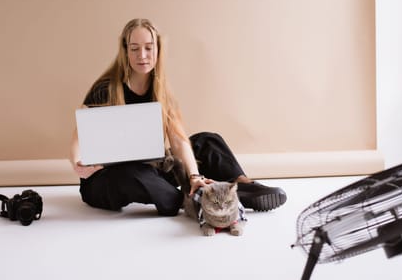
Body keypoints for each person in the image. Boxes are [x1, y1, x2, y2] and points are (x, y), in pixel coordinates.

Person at [69, 18, 287, 216]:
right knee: (134, 172)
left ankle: (242, 186)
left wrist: (193, 175)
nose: (142, 56)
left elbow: (179, 139)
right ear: (125, 51)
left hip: (152, 168)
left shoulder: (161, 90)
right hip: (108, 179)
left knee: (206, 140)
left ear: (158, 49)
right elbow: (79, 136)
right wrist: (76, 162)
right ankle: (193, 199)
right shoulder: (106, 88)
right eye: (134, 49)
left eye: (148, 48)